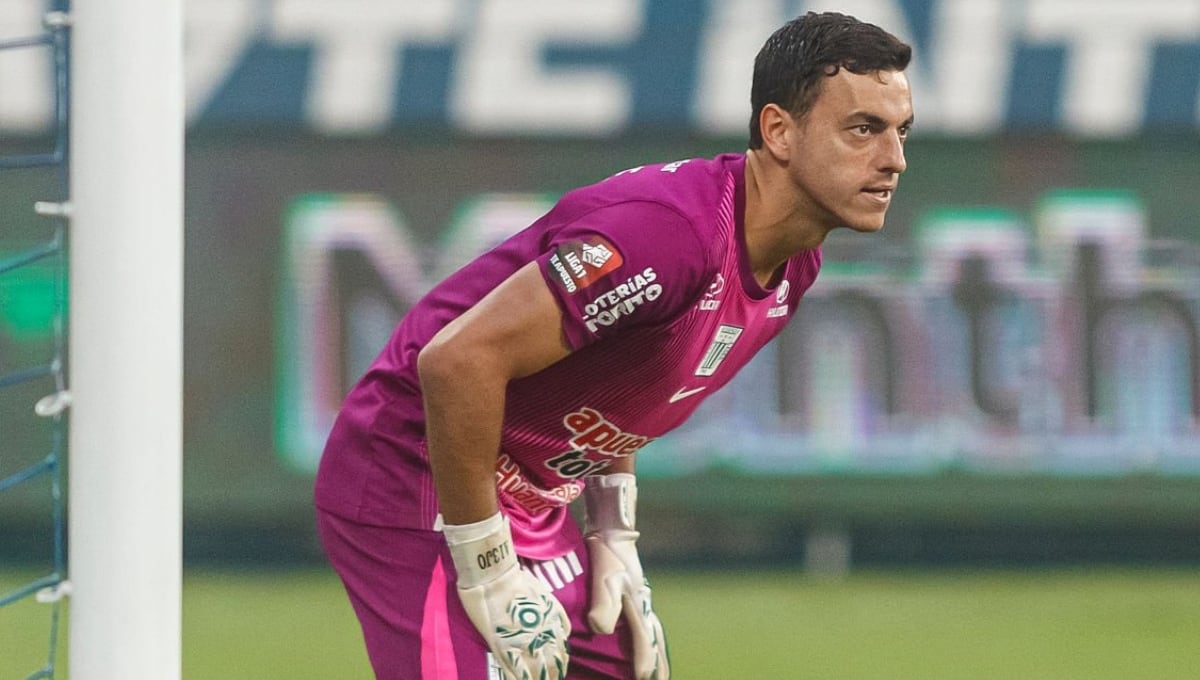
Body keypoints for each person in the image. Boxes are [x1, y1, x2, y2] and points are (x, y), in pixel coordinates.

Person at [315, 11, 913, 679]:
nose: (894, 159)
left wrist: (614, 533)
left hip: (536, 499)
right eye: (863, 129)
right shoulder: (671, 237)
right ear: (778, 130)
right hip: (416, 473)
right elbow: (457, 362)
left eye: (900, 132)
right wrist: (485, 568)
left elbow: (622, 385)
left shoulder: (794, 266)